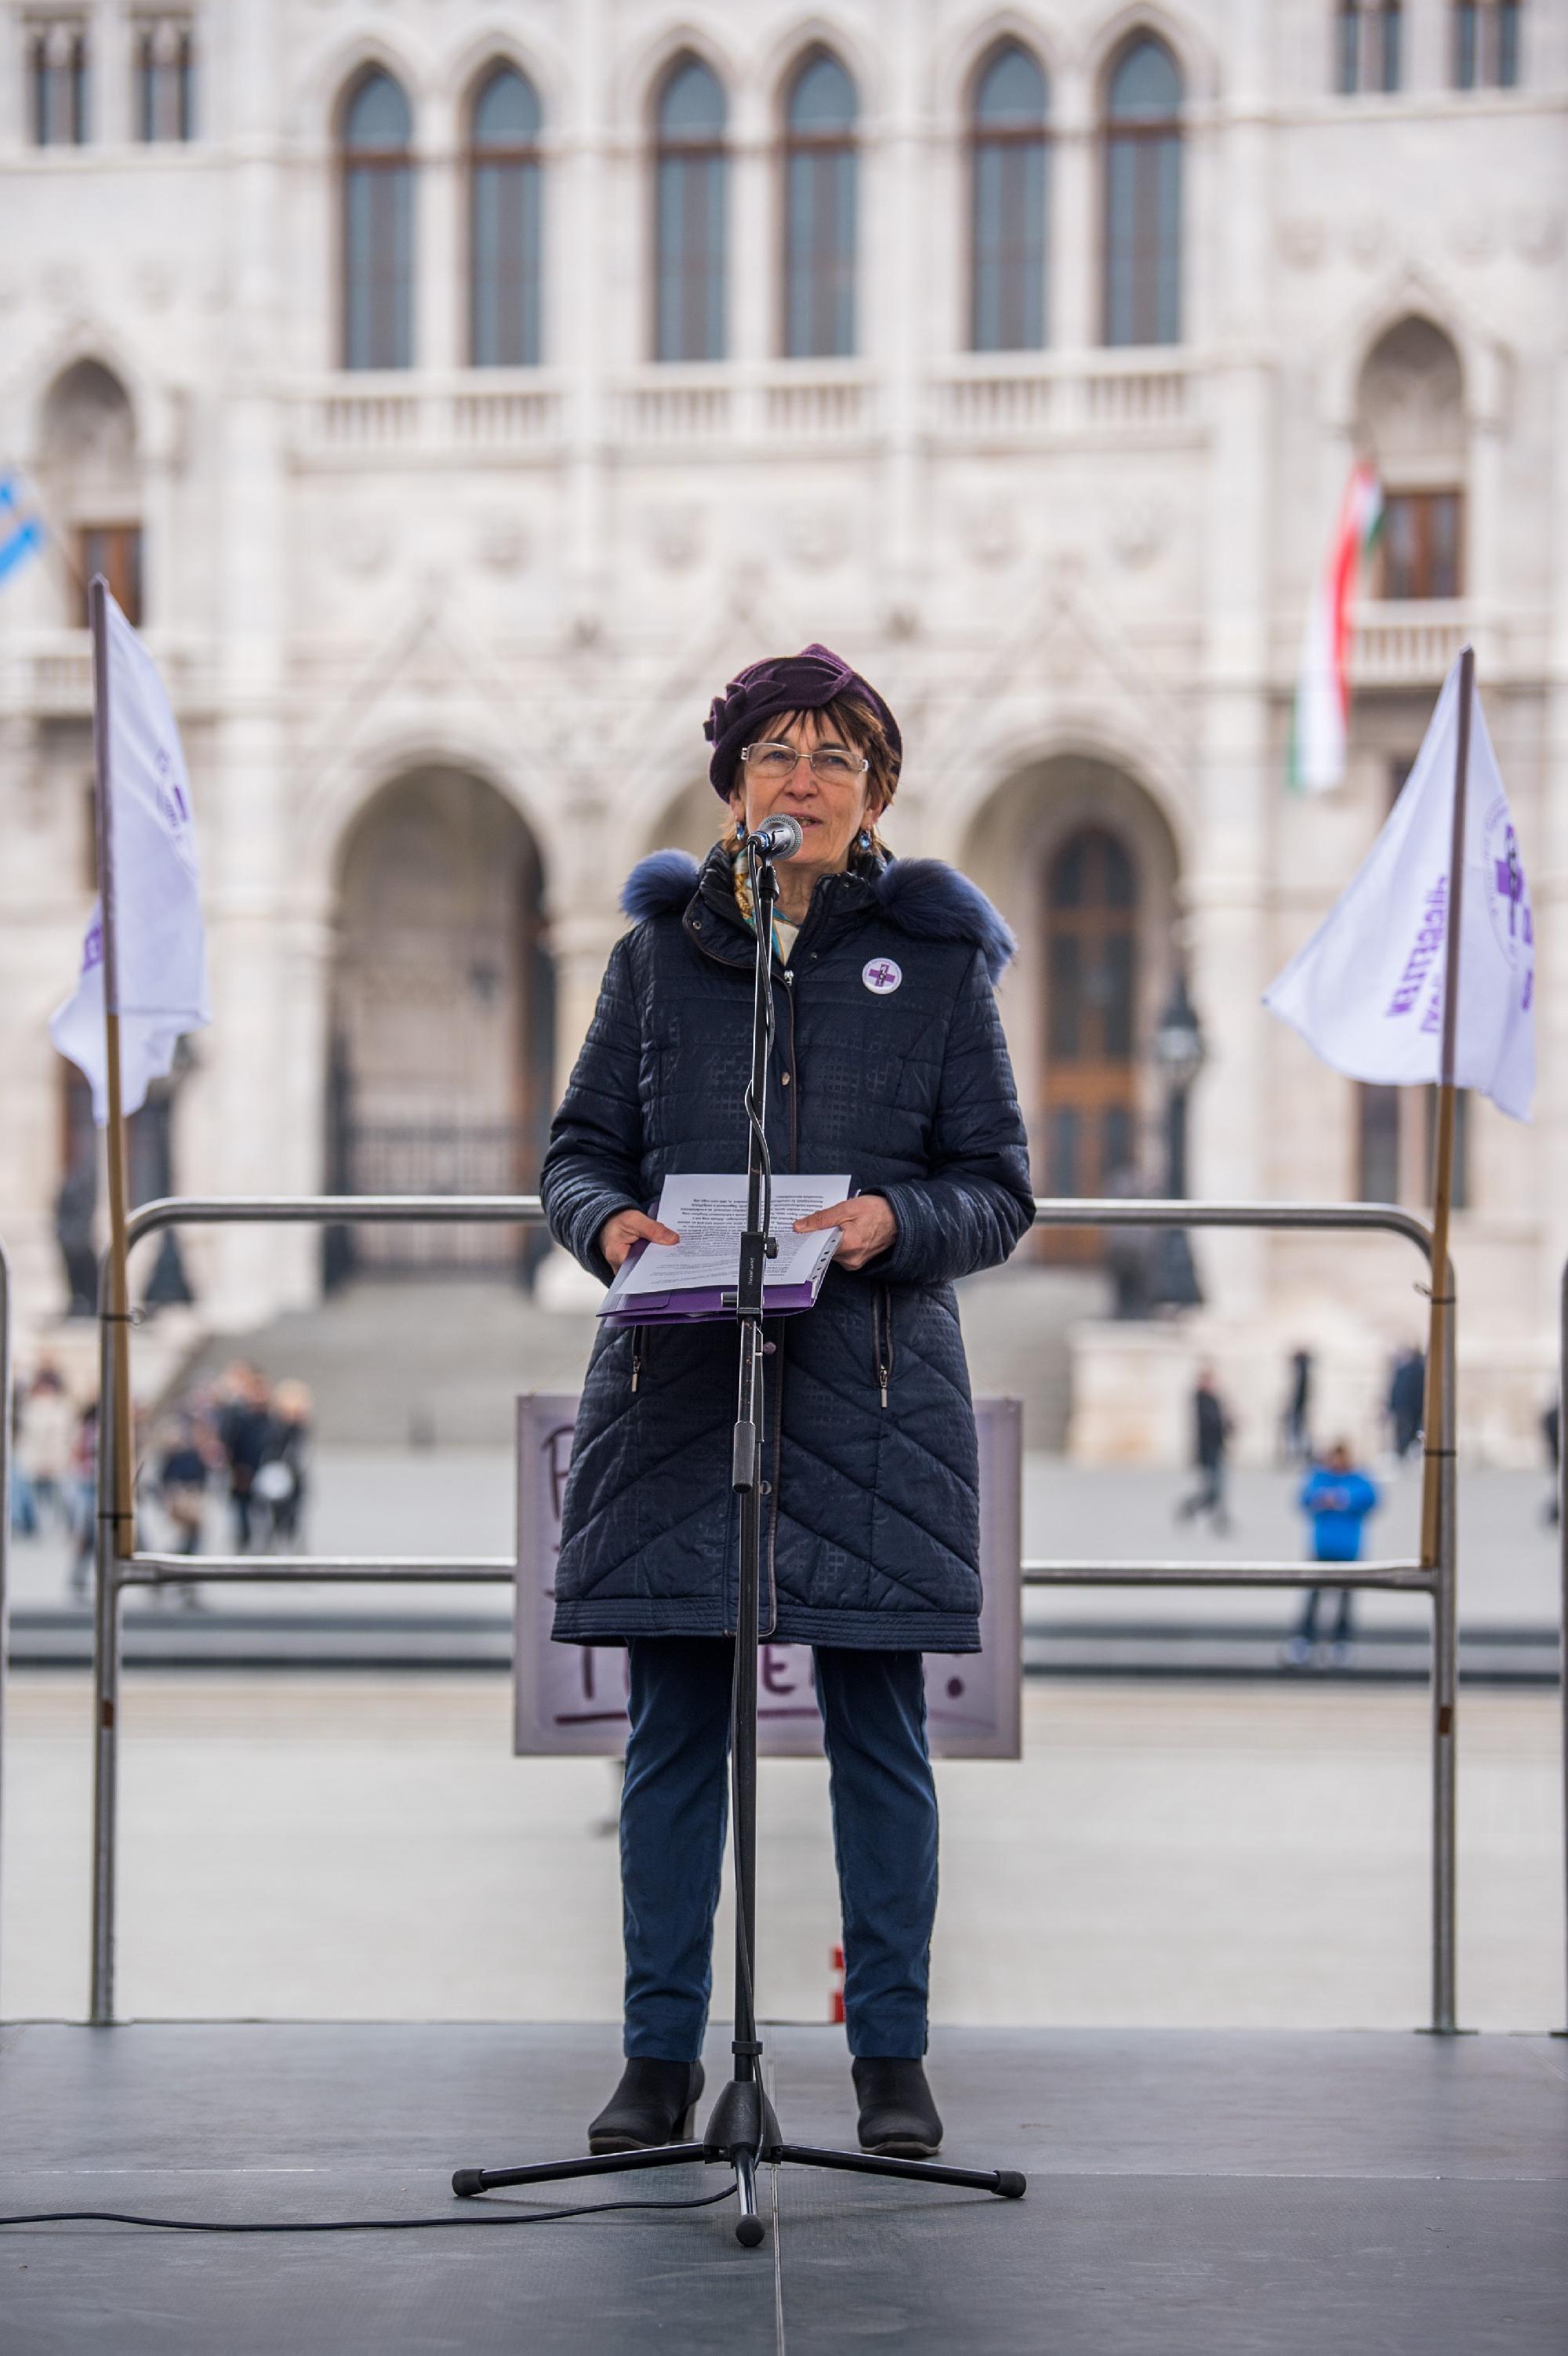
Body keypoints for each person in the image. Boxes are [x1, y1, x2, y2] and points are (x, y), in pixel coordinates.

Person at [541, 641, 1033, 2162]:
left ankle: (891, 2059)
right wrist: (611, 1227)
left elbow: (998, 1188)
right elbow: (577, 1155)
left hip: (870, 1396)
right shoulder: (655, 958)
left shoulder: (936, 963)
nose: (801, 780)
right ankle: (656, 2059)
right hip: (683, 1380)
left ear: (876, 793)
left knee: (879, 1738)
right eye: (775, 754)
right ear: (731, 786)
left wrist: (896, 1221)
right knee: (671, 1739)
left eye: (834, 757)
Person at [1287, 1441, 1380, 1667]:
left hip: (1348, 1550)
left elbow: (1371, 1499)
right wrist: (1325, 1498)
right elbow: (1304, 1499)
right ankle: (1305, 1640)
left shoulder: (1358, 1479)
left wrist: (1343, 1498)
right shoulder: (1320, 1478)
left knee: (1345, 1600)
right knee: (1314, 1597)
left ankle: (1342, 1642)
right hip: (1323, 1548)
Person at [216, 1363, 274, 1553]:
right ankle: (243, 1546)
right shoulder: (238, 1415)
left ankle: (261, 1548)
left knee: (263, 1514)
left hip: (263, 1471)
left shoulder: (271, 1417)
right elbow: (229, 1441)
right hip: (242, 1471)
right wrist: (235, 1467)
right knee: (242, 1515)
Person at [1175, 1366, 1232, 1534]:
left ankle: (1219, 1520)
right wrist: (1224, 1426)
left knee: (1217, 1488)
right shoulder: (1202, 1400)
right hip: (1208, 1451)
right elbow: (1210, 1425)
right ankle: (1190, 1509)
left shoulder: (1212, 1399)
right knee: (1213, 1489)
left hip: (1217, 1449)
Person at [256, 1380, 312, 1547]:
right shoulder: (275, 1426)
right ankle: (274, 1541)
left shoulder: (300, 1428)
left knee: (293, 1514)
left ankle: (288, 1540)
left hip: (294, 1477)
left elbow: (302, 1453)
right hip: (279, 1476)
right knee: (276, 1512)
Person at [1387, 1345, 1425, 1463]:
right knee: (1405, 1433)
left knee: (1410, 1432)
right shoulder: (1404, 1370)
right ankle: (1402, 1453)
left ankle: (1405, 1452)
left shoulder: (1412, 1370)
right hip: (1408, 1408)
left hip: (1409, 1408)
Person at [1280, 1347, 1314, 1464]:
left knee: (1297, 1430)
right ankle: (1299, 1452)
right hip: (1298, 1407)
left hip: (1298, 1407)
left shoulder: (1302, 1372)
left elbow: (1300, 1393)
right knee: (1297, 1429)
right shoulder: (1303, 1372)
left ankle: (1299, 1453)